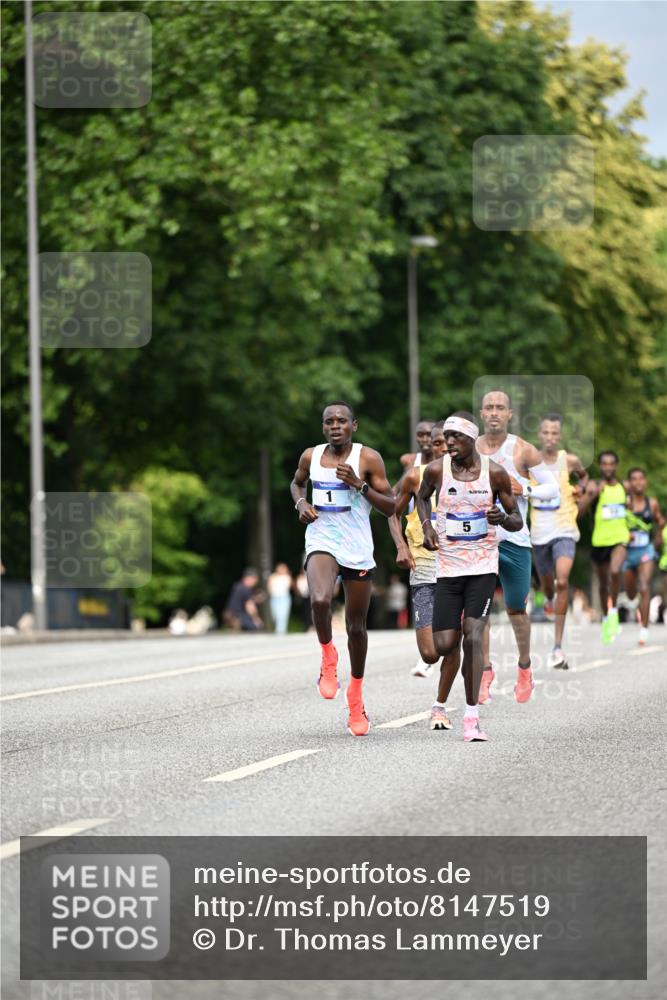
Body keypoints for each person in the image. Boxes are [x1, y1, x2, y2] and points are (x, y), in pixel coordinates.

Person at [290, 401, 395, 736]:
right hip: (322, 537)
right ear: (323, 427)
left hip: (358, 546)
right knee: (319, 600)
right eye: (329, 422)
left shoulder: (368, 459)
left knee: (357, 628)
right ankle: (327, 655)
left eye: (342, 421)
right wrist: (301, 502)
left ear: (354, 425)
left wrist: (359, 485)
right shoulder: (311, 455)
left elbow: (391, 505)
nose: (335, 426)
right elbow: (297, 483)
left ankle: (355, 696)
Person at [417, 412, 523, 742]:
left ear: (471, 440)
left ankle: (471, 716)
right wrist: (427, 526)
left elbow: (517, 521)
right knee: (445, 645)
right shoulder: (437, 470)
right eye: (446, 436)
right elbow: (420, 498)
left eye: (456, 437)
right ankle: (448, 696)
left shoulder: (495, 474)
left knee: (473, 637)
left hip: (481, 567)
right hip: (448, 568)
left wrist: (502, 517)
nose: (448, 442)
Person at [475, 391, 559, 703]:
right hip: (479, 540)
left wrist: (524, 487)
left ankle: (524, 667)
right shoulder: (471, 449)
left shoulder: (522, 449)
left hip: (515, 539)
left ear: (509, 414)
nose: (494, 412)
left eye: (500, 408)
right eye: (489, 407)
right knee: (478, 609)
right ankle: (484, 671)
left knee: (515, 608)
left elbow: (552, 489)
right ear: (482, 413)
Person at [388, 422, 460, 729]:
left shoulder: (471, 476)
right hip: (424, 564)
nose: (441, 447)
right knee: (431, 653)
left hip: (460, 564)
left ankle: (441, 706)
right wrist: (401, 546)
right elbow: (391, 509)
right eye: (436, 442)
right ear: (429, 445)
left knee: (456, 641)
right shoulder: (416, 476)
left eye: (447, 442)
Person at [529, 413, 588, 669]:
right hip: (539, 533)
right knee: (548, 587)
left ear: (560, 436)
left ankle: (557, 647)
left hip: (564, 527)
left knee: (562, 581)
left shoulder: (569, 460)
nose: (550, 438)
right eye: (546, 433)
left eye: (555, 433)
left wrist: (580, 489)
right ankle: (550, 594)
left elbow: (583, 477)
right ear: (539, 435)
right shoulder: (529, 461)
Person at [578, 451, 630, 643]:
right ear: (600, 467)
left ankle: (614, 611)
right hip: (600, 541)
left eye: (611, 464)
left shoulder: (625, 487)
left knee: (615, 571)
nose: (608, 467)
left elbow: (632, 511)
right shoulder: (595, 486)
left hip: (620, 538)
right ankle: (607, 617)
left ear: (616, 466)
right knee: (603, 585)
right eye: (604, 464)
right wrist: (591, 496)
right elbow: (579, 512)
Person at [623, 467, 664, 645]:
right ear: (629, 483)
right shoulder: (624, 503)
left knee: (645, 585)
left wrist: (656, 542)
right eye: (634, 479)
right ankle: (635, 602)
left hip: (645, 550)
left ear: (645, 482)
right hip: (627, 552)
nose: (638, 482)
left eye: (641, 478)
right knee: (632, 594)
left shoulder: (652, 503)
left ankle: (644, 630)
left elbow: (659, 522)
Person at [267, 562, 293, 634]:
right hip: (274, 598)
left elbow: (290, 586)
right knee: (274, 615)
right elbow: (269, 586)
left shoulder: (287, 577)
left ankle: (280, 631)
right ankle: (279, 629)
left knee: (283, 615)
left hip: (283, 598)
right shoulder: (273, 576)